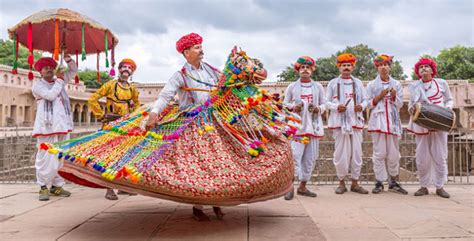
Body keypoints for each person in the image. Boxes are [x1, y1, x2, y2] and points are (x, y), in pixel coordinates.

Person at [145, 33, 224, 221]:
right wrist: (154, 113)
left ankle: (218, 202)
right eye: (197, 47)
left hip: (213, 122)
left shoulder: (212, 71)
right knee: (199, 165)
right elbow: (165, 96)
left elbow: (226, 85)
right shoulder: (179, 76)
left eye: (200, 46)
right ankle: (198, 207)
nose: (201, 50)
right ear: (186, 52)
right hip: (192, 125)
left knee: (218, 162)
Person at [88, 58, 140, 200]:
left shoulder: (132, 88)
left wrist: (134, 118)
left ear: (132, 72)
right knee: (109, 156)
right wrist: (101, 115)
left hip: (127, 126)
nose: (126, 70)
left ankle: (123, 187)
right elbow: (92, 99)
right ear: (119, 69)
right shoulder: (110, 85)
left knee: (124, 156)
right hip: (112, 125)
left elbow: (137, 104)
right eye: (124, 67)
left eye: (130, 68)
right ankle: (109, 188)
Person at [32, 56, 77, 201]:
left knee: (60, 156)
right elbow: (50, 96)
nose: (49, 70)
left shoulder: (59, 81)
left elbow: (74, 70)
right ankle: (43, 187)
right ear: (40, 72)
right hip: (46, 127)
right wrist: (59, 80)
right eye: (46, 68)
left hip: (63, 126)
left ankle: (57, 186)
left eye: (51, 67)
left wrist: (68, 57)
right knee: (45, 157)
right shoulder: (38, 86)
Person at [407, 58, 453, 198]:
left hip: (439, 123)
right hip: (422, 124)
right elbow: (410, 104)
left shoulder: (441, 83)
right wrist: (412, 109)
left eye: (427, 66)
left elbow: (449, 100)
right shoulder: (414, 86)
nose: (424, 69)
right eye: (421, 67)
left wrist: (446, 110)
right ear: (418, 71)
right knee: (422, 158)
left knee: (440, 156)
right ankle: (423, 186)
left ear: (432, 69)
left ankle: (440, 187)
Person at [283, 56, 325, 200]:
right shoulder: (292, 87)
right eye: (302, 67)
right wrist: (294, 107)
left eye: (308, 67)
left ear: (312, 70)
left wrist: (318, 109)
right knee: (295, 156)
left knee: (310, 158)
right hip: (297, 127)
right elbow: (284, 104)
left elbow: (324, 104)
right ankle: (290, 187)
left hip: (313, 127)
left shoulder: (318, 87)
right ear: (298, 70)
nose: (305, 70)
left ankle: (303, 186)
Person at [326, 53, 369, 195]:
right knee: (341, 154)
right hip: (339, 122)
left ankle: (355, 183)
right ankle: (341, 182)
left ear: (352, 67)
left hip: (355, 122)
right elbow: (326, 102)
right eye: (343, 65)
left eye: (348, 65)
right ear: (339, 67)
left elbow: (366, 100)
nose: (346, 67)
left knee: (357, 153)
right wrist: (336, 107)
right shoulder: (333, 83)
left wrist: (361, 107)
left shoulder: (358, 83)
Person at [366, 54, 407, 194]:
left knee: (394, 154)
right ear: (377, 67)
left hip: (393, 123)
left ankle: (393, 181)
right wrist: (379, 96)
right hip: (378, 122)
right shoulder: (371, 85)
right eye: (380, 65)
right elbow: (367, 104)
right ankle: (379, 182)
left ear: (390, 66)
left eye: (386, 64)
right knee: (379, 153)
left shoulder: (397, 84)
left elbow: (400, 104)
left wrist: (394, 96)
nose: (383, 67)